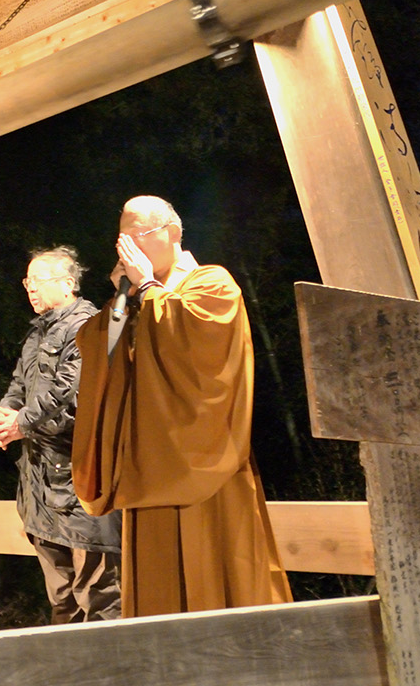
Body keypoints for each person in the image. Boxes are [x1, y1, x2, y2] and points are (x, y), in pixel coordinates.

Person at [70, 196, 291, 617]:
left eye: (138, 236)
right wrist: (124, 294)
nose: (128, 249)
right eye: (123, 240)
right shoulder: (134, 295)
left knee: (222, 583)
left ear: (172, 232)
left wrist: (149, 287)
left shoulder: (211, 283)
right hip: (147, 469)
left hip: (206, 467)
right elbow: (100, 348)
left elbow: (194, 346)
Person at [0, 247, 122, 623]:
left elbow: (71, 391)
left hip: (80, 481)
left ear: (67, 283)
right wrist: (5, 417)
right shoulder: (37, 333)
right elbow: (18, 384)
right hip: (40, 485)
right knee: (61, 597)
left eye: (39, 281)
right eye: (28, 282)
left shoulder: (89, 325)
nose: (30, 289)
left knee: (98, 594)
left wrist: (22, 423)